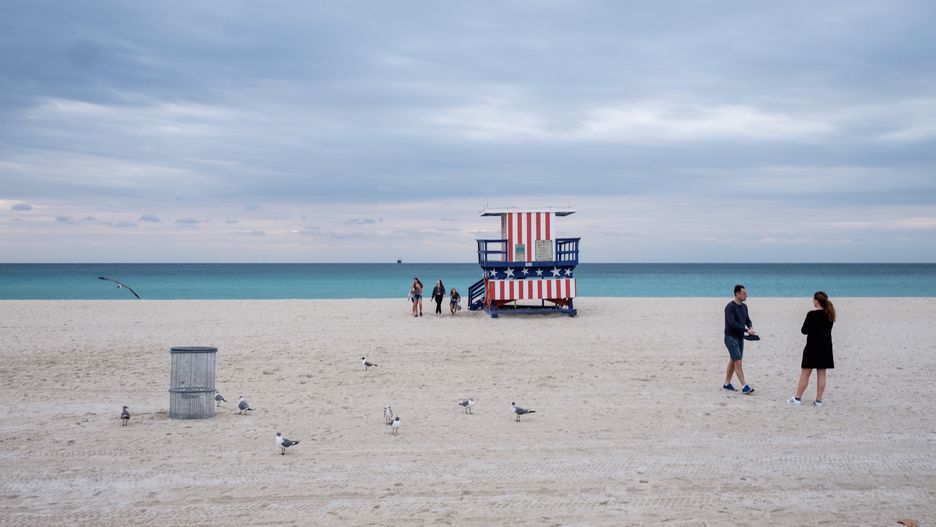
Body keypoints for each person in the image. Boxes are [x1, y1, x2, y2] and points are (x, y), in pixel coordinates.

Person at [788, 291, 836, 407]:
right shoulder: (829, 315)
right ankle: (819, 400)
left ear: (816, 301)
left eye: (813, 299)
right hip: (825, 347)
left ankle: (798, 398)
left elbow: (804, 330)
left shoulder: (811, 314)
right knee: (822, 374)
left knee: (805, 373)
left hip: (812, 347)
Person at [724, 284, 757, 394]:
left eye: (746, 293)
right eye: (744, 293)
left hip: (740, 338)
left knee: (733, 360)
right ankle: (744, 386)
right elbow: (732, 323)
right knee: (737, 361)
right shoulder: (730, 307)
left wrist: (750, 327)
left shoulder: (744, 306)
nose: (746, 295)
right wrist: (747, 330)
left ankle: (727, 384)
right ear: (737, 294)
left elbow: (747, 319)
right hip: (730, 337)